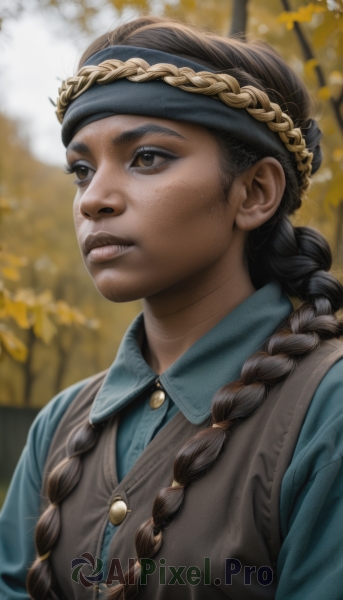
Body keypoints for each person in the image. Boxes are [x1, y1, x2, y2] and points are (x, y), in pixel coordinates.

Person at [1, 15, 343, 600]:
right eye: (81, 171)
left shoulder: (326, 415)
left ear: (255, 192)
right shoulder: (58, 425)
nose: (95, 200)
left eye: (148, 158)